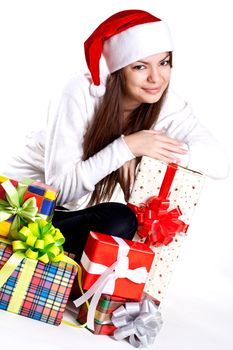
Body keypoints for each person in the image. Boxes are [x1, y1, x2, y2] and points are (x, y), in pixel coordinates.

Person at [2, 9, 229, 259]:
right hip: (19, 208)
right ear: (119, 69)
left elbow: (219, 163)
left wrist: (152, 149)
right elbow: (58, 191)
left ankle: (68, 277)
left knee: (123, 221)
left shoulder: (165, 104)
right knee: (119, 221)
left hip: (61, 219)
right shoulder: (81, 92)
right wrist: (126, 148)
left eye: (164, 62)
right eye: (140, 66)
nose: (156, 77)